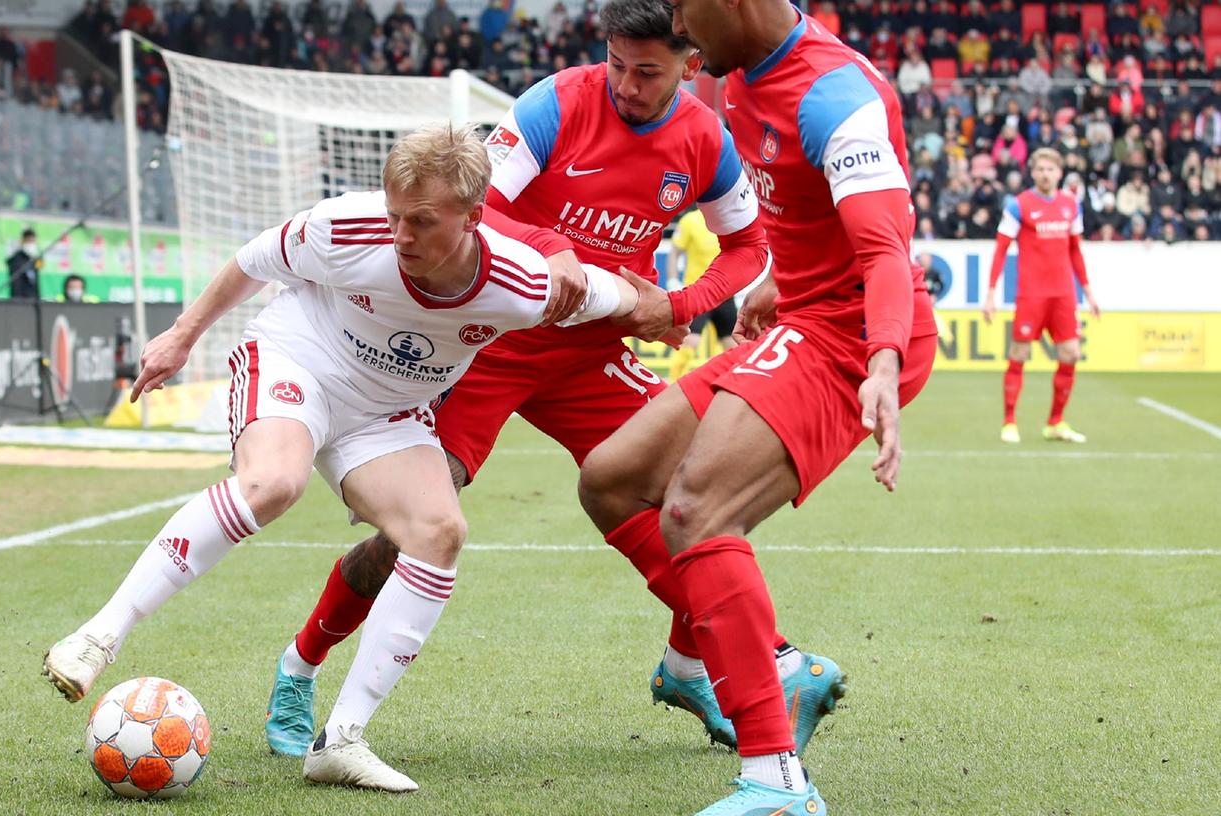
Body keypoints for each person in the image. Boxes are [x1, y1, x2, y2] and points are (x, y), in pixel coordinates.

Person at [262, 0, 842, 762]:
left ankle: (693, 666)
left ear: (690, 65)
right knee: (408, 533)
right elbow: (481, 209)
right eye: (617, 64)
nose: (628, 86)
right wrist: (548, 247)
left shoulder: (706, 138)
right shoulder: (555, 104)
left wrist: (680, 302)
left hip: (592, 354)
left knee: (698, 491)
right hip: (485, 345)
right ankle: (300, 668)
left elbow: (746, 246)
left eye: (648, 72)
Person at [40, 124, 642, 792]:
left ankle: (341, 740)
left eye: (421, 220)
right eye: (394, 216)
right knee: (273, 483)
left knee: (439, 531)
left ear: (475, 219)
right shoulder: (349, 229)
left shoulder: (522, 286)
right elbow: (252, 261)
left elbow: (607, 292)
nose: (402, 236)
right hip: (300, 360)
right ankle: (99, 635)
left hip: (387, 413)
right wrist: (182, 337)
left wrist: (666, 308)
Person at [580, 1, 941, 812]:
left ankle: (776, 779)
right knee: (611, 477)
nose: (676, 23)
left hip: (855, 340)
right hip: (806, 318)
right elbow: (805, 215)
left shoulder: (833, 97)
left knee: (697, 509)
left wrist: (882, 363)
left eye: (682, 7)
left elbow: (884, 249)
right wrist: (778, 282)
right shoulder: (737, 73)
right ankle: (733, 664)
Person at [983, 147, 1099, 444]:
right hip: (1031, 294)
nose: (1045, 174)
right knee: (1019, 353)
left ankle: (1055, 422)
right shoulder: (1019, 205)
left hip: (1063, 294)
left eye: (1050, 169)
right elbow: (1000, 250)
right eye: (1040, 169)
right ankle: (1009, 421)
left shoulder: (1071, 205)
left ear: (1059, 172)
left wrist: (1088, 291)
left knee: (1071, 353)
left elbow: (1075, 250)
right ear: (1032, 173)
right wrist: (991, 293)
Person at [667, 207, 742, 380]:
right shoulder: (690, 220)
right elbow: (674, 252)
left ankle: (737, 383)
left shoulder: (726, 217)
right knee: (690, 340)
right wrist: (672, 280)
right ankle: (673, 382)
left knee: (732, 343)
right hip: (698, 291)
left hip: (724, 292)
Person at [7, 228, 41, 300]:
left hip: (33, 299)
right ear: (23, 241)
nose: (31, 244)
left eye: (33, 241)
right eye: (29, 241)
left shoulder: (34, 259)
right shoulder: (17, 259)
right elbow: (16, 283)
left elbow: (36, 282)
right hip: (21, 300)